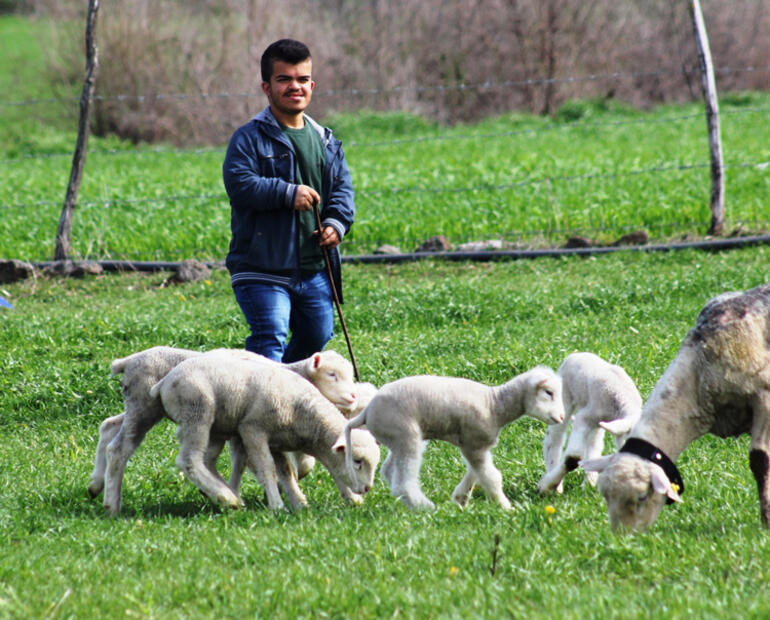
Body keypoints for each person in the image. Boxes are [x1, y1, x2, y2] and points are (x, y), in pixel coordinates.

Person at [222, 39, 355, 363]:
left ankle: (281, 388)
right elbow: (240, 183)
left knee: (317, 337)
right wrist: (286, 192)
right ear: (267, 87)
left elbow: (342, 190)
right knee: (270, 336)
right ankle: (258, 408)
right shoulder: (249, 137)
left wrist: (336, 225)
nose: (294, 86)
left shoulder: (325, 139)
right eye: (284, 79)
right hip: (262, 267)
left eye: (301, 79)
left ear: (312, 85)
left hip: (313, 269)